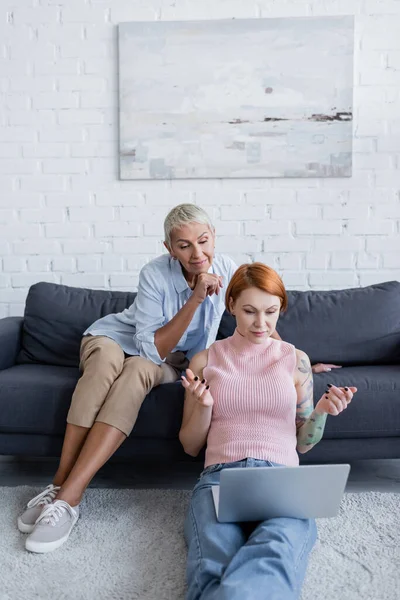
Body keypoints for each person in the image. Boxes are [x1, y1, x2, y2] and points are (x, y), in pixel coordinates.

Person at [18, 203, 239, 554]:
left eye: (203, 241)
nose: (197, 253)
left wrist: (295, 359)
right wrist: (195, 298)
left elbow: (256, 313)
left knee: (136, 370)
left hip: (168, 362)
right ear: (169, 249)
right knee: (107, 361)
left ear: (214, 237)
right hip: (115, 340)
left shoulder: (228, 270)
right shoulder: (155, 274)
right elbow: (152, 347)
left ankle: (68, 497)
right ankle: (60, 485)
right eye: (184, 245)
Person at [179, 262, 357, 600]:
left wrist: (321, 412)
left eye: (271, 312)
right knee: (213, 562)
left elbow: (303, 444)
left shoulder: (296, 360)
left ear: (280, 309)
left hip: (283, 481)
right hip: (220, 478)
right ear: (231, 305)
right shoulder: (205, 361)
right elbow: (189, 445)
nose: (261, 323)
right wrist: (203, 407)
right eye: (249, 311)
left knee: (275, 552)